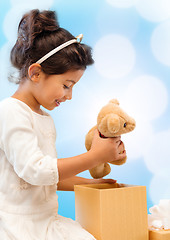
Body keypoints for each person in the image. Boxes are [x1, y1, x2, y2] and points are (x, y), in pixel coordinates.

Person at [0, 9, 126, 240]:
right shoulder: (10, 112)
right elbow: (36, 171)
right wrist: (95, 157)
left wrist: (92, 182)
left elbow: (48, 179)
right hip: (18, 226)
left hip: (47, 222)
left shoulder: (44, 118)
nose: (69, 96)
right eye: (67, 85)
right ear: (36, 73)